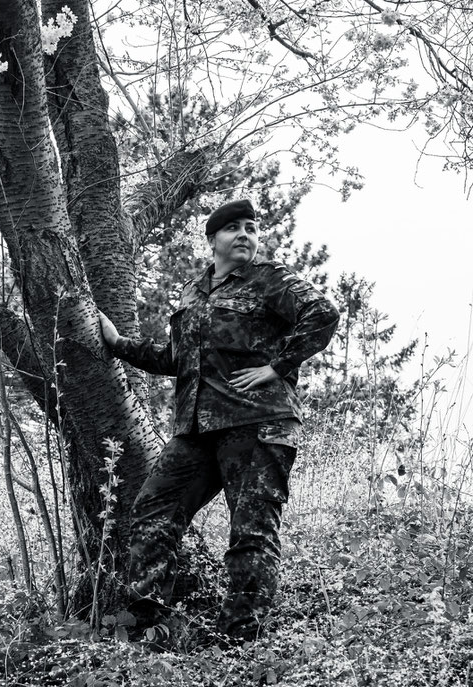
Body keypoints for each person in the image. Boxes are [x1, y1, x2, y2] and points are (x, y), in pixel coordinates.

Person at [69, 199, 339, 643]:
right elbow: (176, 359)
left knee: (251, 533)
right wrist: (118, 343)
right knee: (150, 514)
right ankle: (152, 629)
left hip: (258, 423)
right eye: (234, 228)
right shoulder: (193, 293)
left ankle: (239, 642)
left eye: (252, 227)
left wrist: (277, 365)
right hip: (196, 430)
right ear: (213, 240)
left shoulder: (270, 279)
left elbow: (323, 314)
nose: (246, 235)